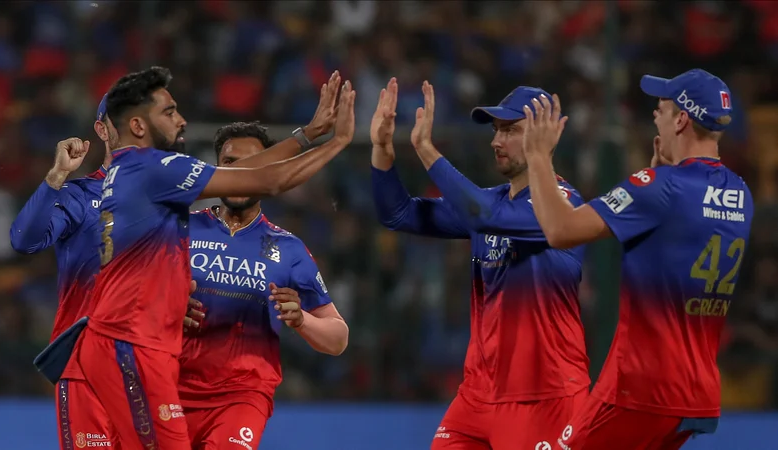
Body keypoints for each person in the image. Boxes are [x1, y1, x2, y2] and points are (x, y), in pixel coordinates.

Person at [72, 66, 356, 450]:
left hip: (219, 384)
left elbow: (244, 175)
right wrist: (337, 142)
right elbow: (268, 179)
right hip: (137, 348)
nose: (182, 119)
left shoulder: (142, 174)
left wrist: (306, 136)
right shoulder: (156, 172)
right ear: (139, 125)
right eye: (169, 112)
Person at [520, 69, 752, 450]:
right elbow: (681, 234)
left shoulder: (660, 188)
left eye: (660, 108)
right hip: (695, 395)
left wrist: (538, 157)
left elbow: (560, 231)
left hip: (641, 389)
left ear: (681, 119)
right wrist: (660, 175)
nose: (654, 117)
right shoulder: (740, 193)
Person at [370, 78, 590, 450]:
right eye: (496, 131)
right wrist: (381, 149)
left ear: (542, 137)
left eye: (510, 131)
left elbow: (483, 216)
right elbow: (399, 213)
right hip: (478, 393)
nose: (496, 141)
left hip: (544, 395)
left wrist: (425, 149)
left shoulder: (561, 203)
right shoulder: (494, 204)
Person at [179, 121, 349, 450]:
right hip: (167, 388)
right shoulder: (179, 228)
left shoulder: (288, 249)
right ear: (216, 168)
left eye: (253, 163)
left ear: (269, 171)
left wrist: (302, 319)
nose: (242, 171)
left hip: (243, 396)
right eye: (230, 163)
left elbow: (338, 338)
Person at [10, 96, 119, 449]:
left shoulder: (171, 205)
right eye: (127, 118)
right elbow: (25, 240)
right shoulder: (78, 194)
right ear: (101, 130)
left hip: (152, 367)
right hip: (87, 366)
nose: (138, 128)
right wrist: (56, 176)